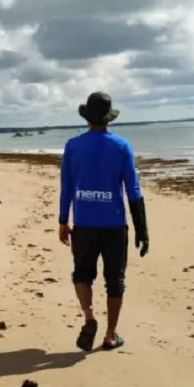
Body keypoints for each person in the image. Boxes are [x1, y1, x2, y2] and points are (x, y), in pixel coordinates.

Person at [57, 91, 149, 353]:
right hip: (114, 225)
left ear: (87, 118)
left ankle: (89, 317)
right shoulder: (121, 146)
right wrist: (143, 230)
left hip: (84, 224)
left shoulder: (73, 146)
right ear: (108, 118)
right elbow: (133, 190)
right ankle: (110, 335)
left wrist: (63, 220)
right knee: (115, 280)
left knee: (82, 274)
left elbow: (67, 187)